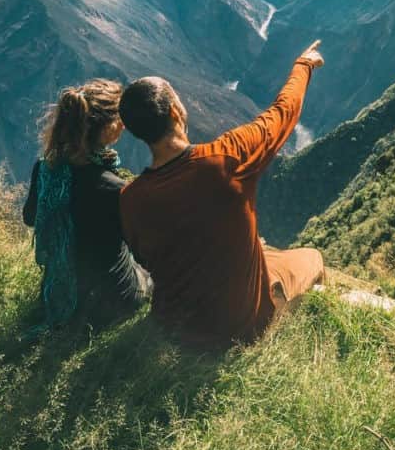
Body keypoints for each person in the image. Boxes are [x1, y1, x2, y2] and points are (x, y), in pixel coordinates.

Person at [118, 40, 326, 347]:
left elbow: (146, 259)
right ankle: (292, 331)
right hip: (241, 329)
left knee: (261, 249)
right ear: (176, 111)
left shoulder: (130, 199)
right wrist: (304, 64)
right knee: (312, 258)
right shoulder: (226, 159)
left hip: (173, 327)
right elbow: (282, 114)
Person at [23, 79, 151, 328]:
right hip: (115, 298)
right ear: (104, 128)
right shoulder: (114, 188)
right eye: (118, 119)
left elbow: (30, 217)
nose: (123, 125)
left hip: (61, 289)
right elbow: (142, 244)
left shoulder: (45, 170)